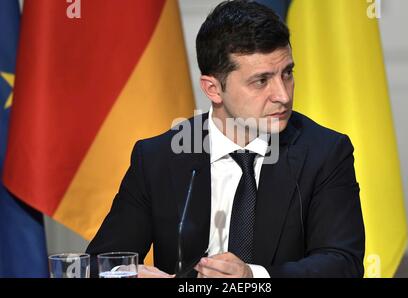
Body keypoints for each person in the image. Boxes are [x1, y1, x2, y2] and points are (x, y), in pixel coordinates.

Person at [86, 0, 365, 278]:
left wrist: (252, 279)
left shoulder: (325, 153)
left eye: (287, 73)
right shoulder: (157, 158)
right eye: (261, 81)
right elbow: (102, 263)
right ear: (213, 89)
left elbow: (342, 264)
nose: (283, 95)